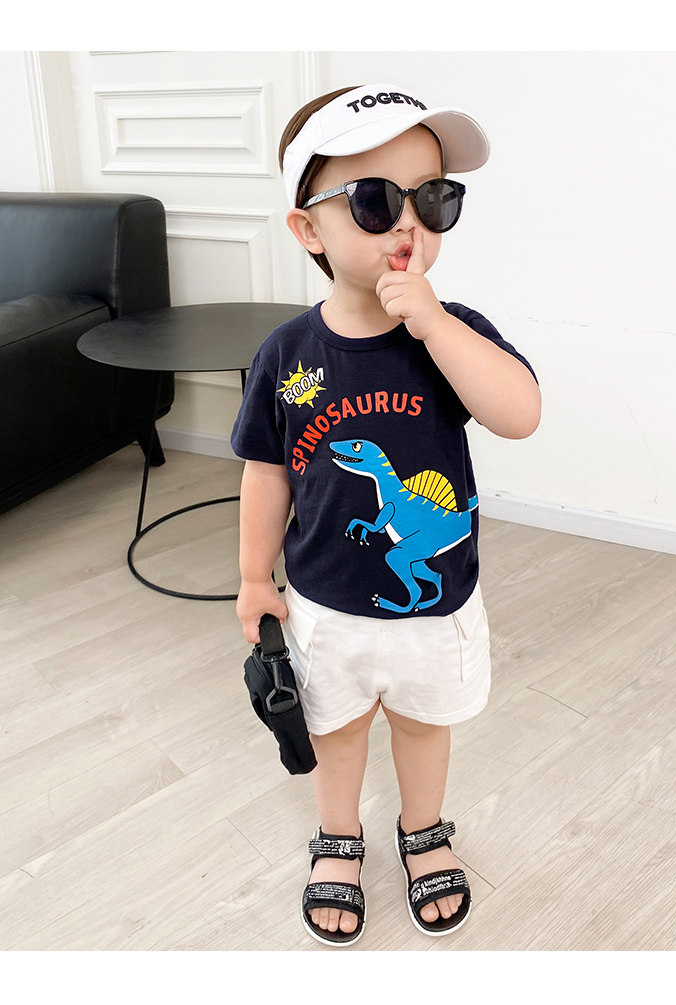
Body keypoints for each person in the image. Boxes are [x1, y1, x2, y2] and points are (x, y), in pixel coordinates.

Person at [231, 83, 541, 946]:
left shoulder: (454, 332)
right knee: (334, 728)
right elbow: (267, 470)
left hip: (433, 597)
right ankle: (339, 834)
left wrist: (437, 327)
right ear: (309, 230)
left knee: (422, 722)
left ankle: (422, 828)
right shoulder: (287, 354)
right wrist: (254, 576)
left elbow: (520, 412)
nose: (409, 222)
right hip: (324, 602)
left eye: (432, 198)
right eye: (374, 201)